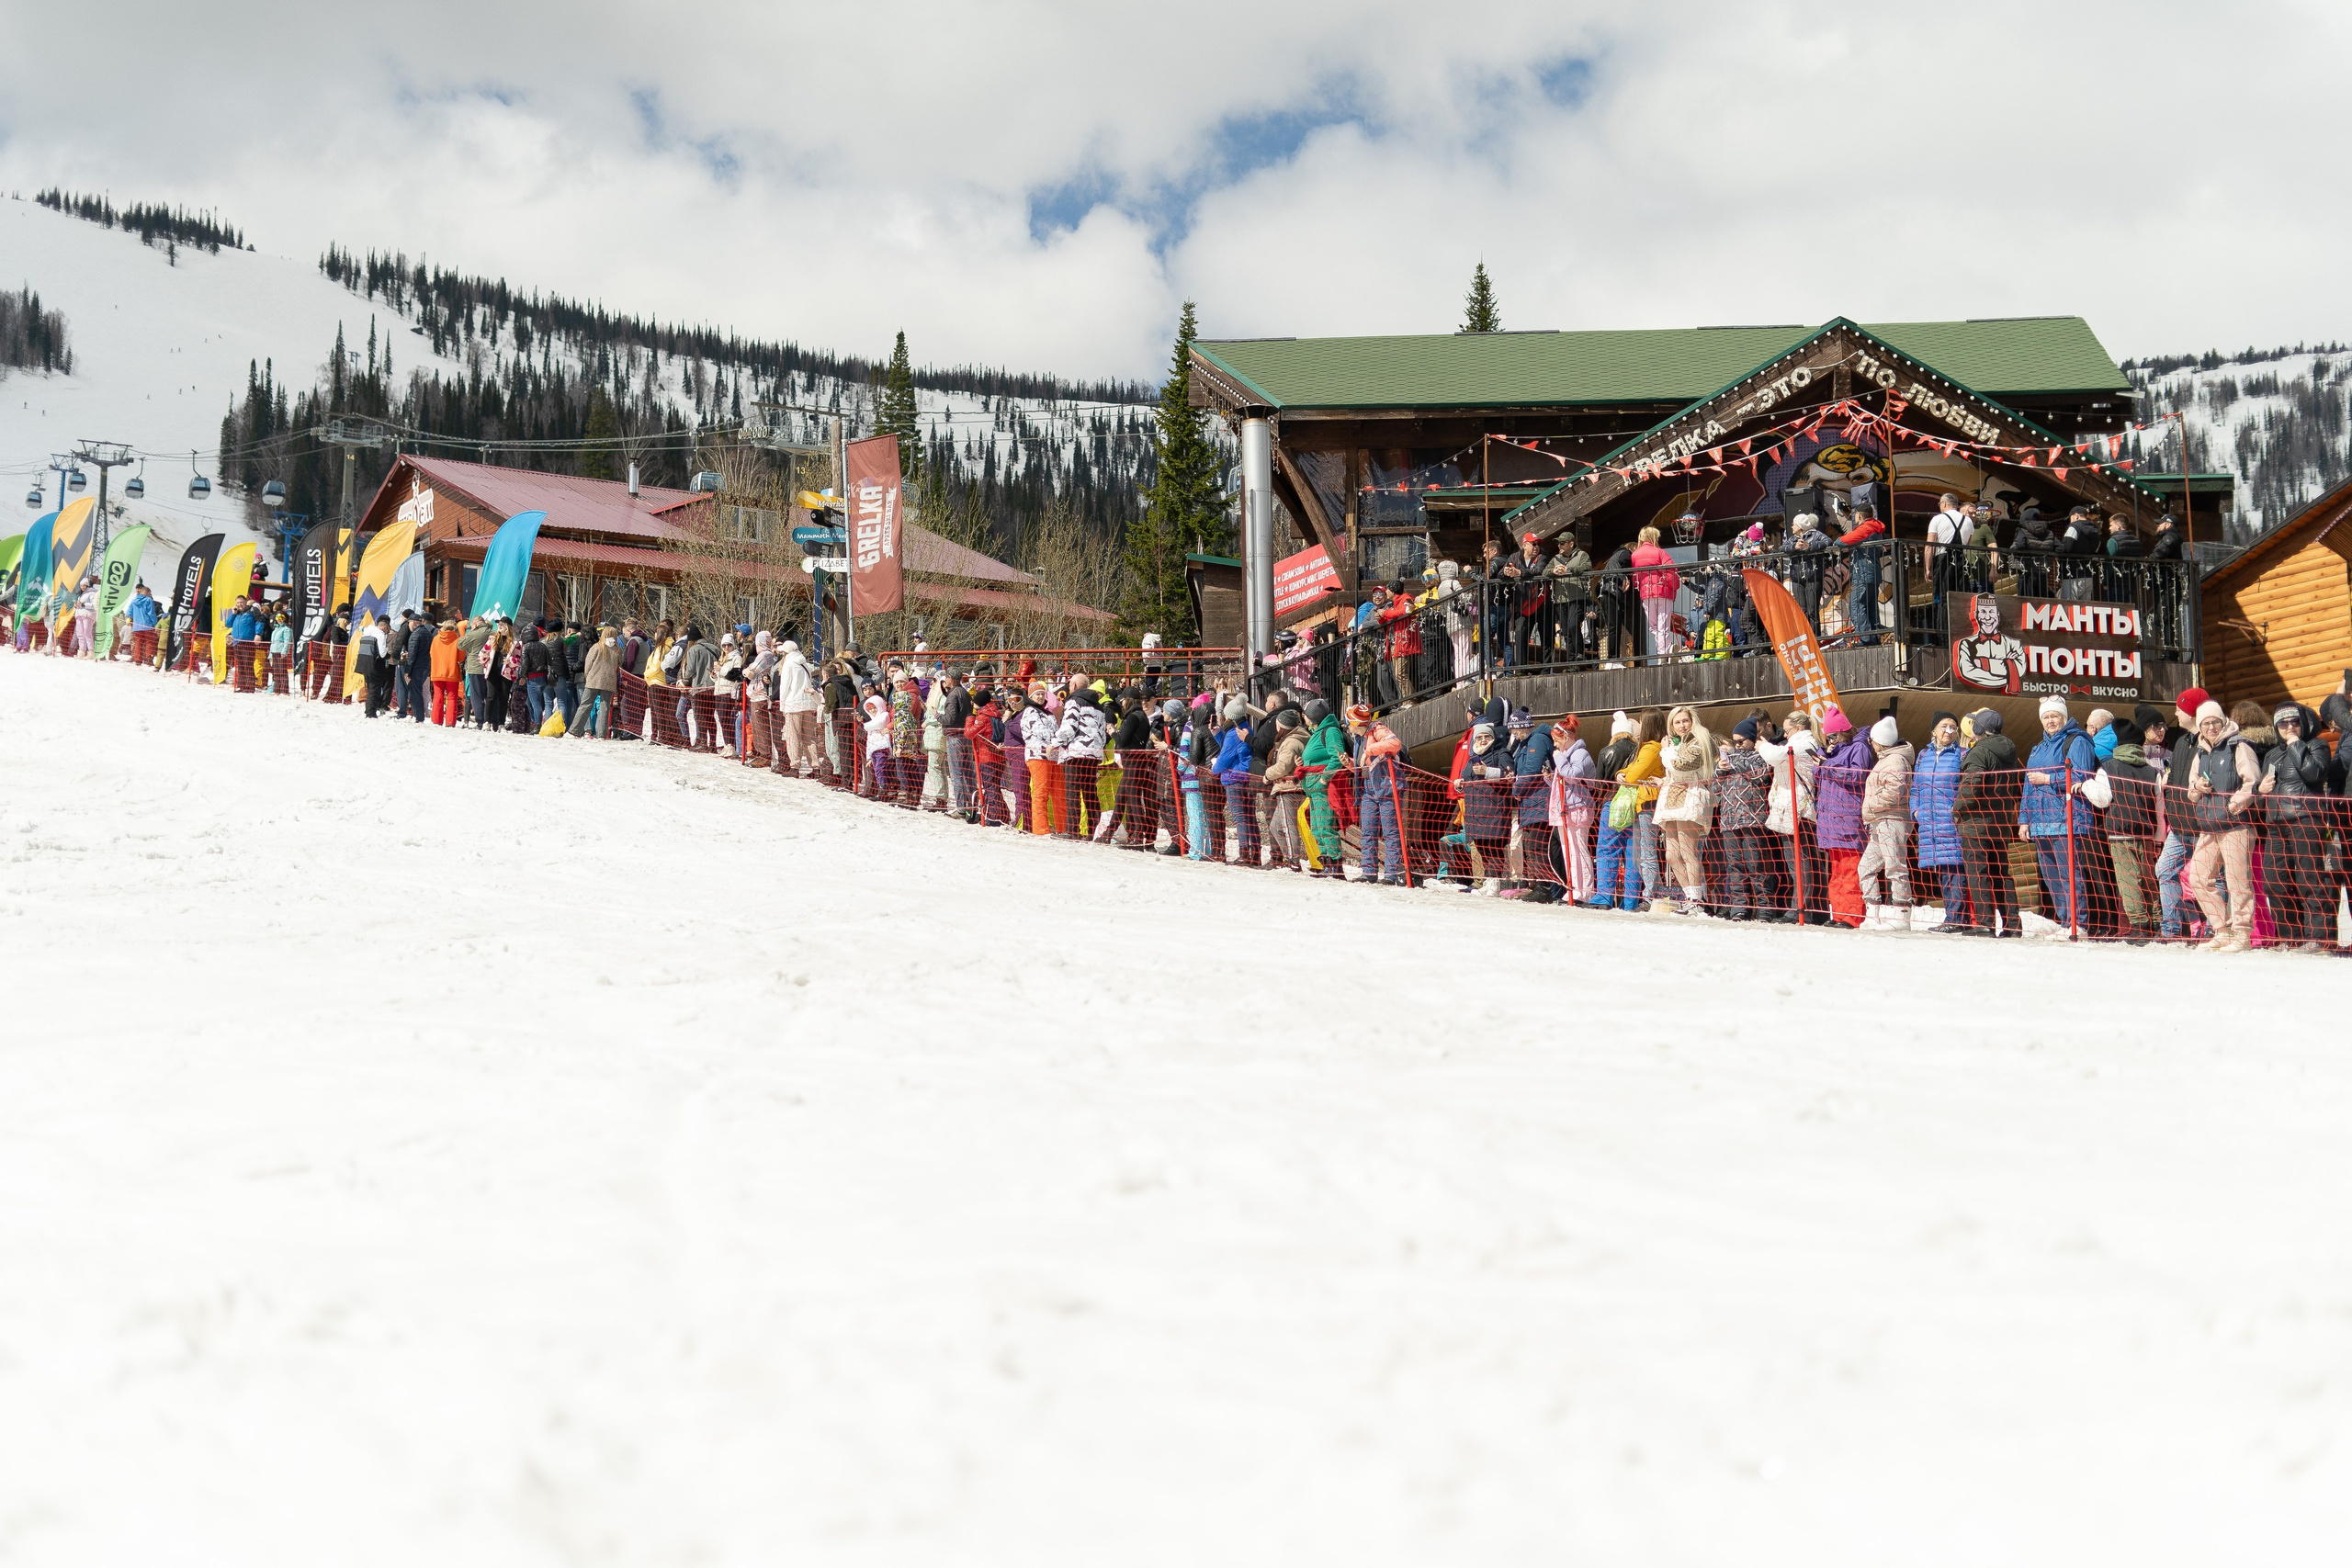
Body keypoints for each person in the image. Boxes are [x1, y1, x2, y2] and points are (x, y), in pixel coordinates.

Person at [2178, 699, 2261, 952]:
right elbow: (2191, 789)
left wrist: (2234, 805)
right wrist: (2197, 788)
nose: (2211, 727)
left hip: (2236, 824)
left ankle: (2242, 934)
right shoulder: (2201, 752)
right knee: (2199, 878)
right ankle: (2222, 930)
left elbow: (2252, 782)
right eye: (2205, 723)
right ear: (2200, 727)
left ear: (2223, 721)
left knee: (2238, 881)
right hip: (2209, 824)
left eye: (2215, 721)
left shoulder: (2239, 746)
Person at [2019, 695, 2099, 932]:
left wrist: (2049, 779)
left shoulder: (2077, 741)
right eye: (2046, 717)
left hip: (2067, 818)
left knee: (2069, 874)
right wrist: (2024, 820)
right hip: (2040, 820)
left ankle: (2078, 925)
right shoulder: (2038, 748)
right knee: (2051, 876)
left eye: (2054, 716)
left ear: (2064, 717)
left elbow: (2082, 777)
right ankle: (2065, 922)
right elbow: (2027, 787)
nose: (2050, 721)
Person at [2257, 701, 2331, 949]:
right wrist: (2261, 790)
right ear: (2275, 726)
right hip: (2276, 824)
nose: (2289, 726)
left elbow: (2314, 774)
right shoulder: (2271, 754)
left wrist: (2296, 745)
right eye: (2283, 723)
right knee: (2274, 881)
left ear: (2303, 722)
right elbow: (2263, 790)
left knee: (2309, 879)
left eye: (2294, 721)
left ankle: (2318, 939)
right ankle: (2290, 937)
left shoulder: (2316, 745)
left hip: (2305, 819)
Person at [1950, 708, 2023, 936]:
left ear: (1980, 730)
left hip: (1976, 823)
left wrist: (1957, 808)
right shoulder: (2011, 752)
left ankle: (1984, 923)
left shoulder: (1979, 752)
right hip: (2000, 823)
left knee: (1978, 872)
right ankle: (2013, 925)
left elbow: (1972, 786)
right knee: (2002, 873)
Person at [2100, 707, 2167, 942]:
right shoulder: (2151, 770)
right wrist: (2159, 834)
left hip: (2119, 832)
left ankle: (2139, 925)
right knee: (2149, 878)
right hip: (2147, 834)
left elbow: (2102, 798)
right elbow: (2160, 806)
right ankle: (2156, 921)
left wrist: (2084, 786)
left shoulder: (2108, 767)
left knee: (2128, 880)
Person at [1759, 711, 1825, 922]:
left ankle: (1801, 909)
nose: (1785, 735)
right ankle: (1806, 908)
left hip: (1799, 808)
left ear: (1797, 729)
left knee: (1801, 862)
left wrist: (1762, 746)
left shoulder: (1803, 743)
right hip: (1790, 807)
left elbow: (1776, 756)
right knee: (1795, 861)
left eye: (1787, 730)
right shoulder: (1799, 742)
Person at [1813, 706, 1873, 927]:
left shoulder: (1859, 748)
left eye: (1831, 736)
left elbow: (1857, 776)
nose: (1830, 740)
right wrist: (1825, 754)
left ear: (1840, 733)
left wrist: (1827, 764)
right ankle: (1838, 913)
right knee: (1837, 871)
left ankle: (1852, 916)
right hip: (1831, 820)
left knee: (1850, 870)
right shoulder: (1835, 753)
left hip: (1848, 818)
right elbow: (1821, 772)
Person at [1653, 704, 1715, 914]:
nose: (1681, 725)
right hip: (1672, 797)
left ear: (1692, 721)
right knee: (1671, 854)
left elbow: (1681, 765)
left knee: (1689, 850)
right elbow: (1674, 769)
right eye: (1677, 722)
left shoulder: (1699, 740)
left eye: (1685, 721)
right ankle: (1689, 895)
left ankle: (1697, 899)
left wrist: (1666, 751)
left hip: (1691, 796)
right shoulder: (1676, 745)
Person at [1909, 712, 1968, 931]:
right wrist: (1916, 810)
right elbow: (1916, 787)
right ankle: (1953, 916)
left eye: (1953, 727)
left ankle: (1956, 919)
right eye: (1944, 726)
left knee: (1955, 870)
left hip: (1951, 822)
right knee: (1943, 871)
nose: (1949, 731)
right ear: (1934, 729)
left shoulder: (1962, 754)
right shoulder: (1923, 755)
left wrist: (1956, 810)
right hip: (1929, 823)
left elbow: (1965, 787)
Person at [1858, 715, 1917, 929]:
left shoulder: (1896, 760)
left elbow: (1895, 792)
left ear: (1879, 740)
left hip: (1892, 820)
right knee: (1866, 866)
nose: (1870, 744)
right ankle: (1872, 912)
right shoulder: (1887, 759)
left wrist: (1870, 806)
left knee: (1895, 867)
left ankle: (1902, 914)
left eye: (1871, 740)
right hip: (1880, 821)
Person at [1713, 718, 1775, 919]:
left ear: (1751, 739)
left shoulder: (1759, 755)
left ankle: (1765, 906)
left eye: (1741, 741)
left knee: (1756, 864)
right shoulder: (1727, 761)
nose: (1737, 745)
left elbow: (1761, 775)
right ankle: (1740, 906)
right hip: (1729, 820)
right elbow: (1714, 790)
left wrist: (1733, 759)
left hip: (1752, 818)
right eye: (1735, 741)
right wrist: (1720, 771)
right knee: (1735, 866)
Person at [1589, 712, 1645, 911]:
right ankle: (1630, 901)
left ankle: (1603, 896)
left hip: (1611, 804)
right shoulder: (1641, 751)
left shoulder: (1606, 751)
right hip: (1635, 805)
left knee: (1607, 850)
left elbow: (1600, 784)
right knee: (1633, 853)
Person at [1503, 707, 1559, 900]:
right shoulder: (1525, 743)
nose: (1514, 734)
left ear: (1522, 726)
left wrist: (1517, 789)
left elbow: (1532, 769)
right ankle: (1539, 886)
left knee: (1538, 845)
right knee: (1531, 845)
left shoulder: (1536, 739)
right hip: (1531, 804)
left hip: (1539, 802)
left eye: (1515, 730)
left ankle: (1545, 889)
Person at [1544, 715, 1598, 905]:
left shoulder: (1579, 754)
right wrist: (1550, 778)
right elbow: (1564, 782)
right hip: (1565, 809)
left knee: (1578, 851)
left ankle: (1584, 891)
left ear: (1566, 737)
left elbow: (1573, 776)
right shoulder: (1566, 756)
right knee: (1568, 852)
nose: (1555, 745)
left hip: (1577, 809)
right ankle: (1573, 889)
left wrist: (1558, 758)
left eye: (1556, 740)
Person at [1457, 720, 1514, 894]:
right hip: (1474, 811)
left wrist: (1488, 772)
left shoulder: (1501, 753)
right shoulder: (1472, 757)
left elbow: (1510, 775)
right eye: (1479, 737)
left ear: (1493, 738)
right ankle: (1488, 882)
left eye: (1486, 736)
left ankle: (1494, 884)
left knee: (1494, 847)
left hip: (1494, 809)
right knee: (1482, 847)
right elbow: (1466, 776)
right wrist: (1460, 783)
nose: (1482, 740)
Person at [1356, 708, 1408, 886]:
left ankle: (1392, 873)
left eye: (1349, 723)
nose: (1347, 727)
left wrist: (1369, 750)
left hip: (1388, 786)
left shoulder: (1377, 729)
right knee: (1368, 830)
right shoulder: (1359, 738)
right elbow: (1363, 767)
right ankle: (1368, 871)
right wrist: (1348, 764)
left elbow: (1395, 743)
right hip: (1370, 787)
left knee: (1390, 832)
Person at [1629, 525, 1681, 660]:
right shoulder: (1660, 553)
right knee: (1663, 624)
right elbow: (1671, 572)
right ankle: (1663, 653)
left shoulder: (1635, 555)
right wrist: (1675, 586)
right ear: (1654, 537)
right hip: (1663, 592)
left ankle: (1666, 650)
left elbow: (1636, 576)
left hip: (1646, 593)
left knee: (1654, 626)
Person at [1839, 503, 1888, 644]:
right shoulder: (1876, 528)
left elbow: (1841, 541)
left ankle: (1866, 638)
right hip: (1873, 571)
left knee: (1856, 605)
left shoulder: (1866, 528)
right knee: (1871, 606)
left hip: (1863, 572)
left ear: (1859, 515)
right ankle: (1875, 637)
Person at [1020, 682, 1062, 835]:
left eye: (1042, 693)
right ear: (1030, 696)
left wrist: (1059, 740)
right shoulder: (1029, 712)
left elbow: (1057, 731)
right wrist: (1058, 740)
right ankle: (1041, 829)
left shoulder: (1048, 714)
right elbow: (1043, 733)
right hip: (1038, 756)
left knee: (1059, 794)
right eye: (1036, 694)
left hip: (1054, 757)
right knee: (1041, 793)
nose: (1040, 696)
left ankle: (1063, 827)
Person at [1785, 513, 1829, 632]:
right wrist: (1795, 547)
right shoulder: (1792, 539)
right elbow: (1782, 548)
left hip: (1813, 577)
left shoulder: (1816, 534)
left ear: (1800, 526)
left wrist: (1809, 546)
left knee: (1812, 611)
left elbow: (1828, 542)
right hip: (1797, 579)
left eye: (1793, 524)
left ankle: (1815, 640)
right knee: (1801, 611)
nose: (1791, 527)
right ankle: (1805, 639)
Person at [427, 617, 465, 726]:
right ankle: (450, 721)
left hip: (437, 671)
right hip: (452, 672)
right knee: (452, 697)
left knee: (437, 696)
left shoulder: (436, 639)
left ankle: (436, 720)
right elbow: (461, 658)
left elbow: (431, 654)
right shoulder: (457, 640)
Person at [126, 582, 161, 667]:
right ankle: (148, 659)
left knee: (138, 643)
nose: (150, 595)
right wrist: (155, 624)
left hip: (136, 626)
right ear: (146, 592)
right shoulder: (148, 600)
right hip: (147, 625)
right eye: (149, 593)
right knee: (150, 642)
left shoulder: (133, 601)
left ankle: (138, 660)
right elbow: (151, 613)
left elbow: (129, 613)